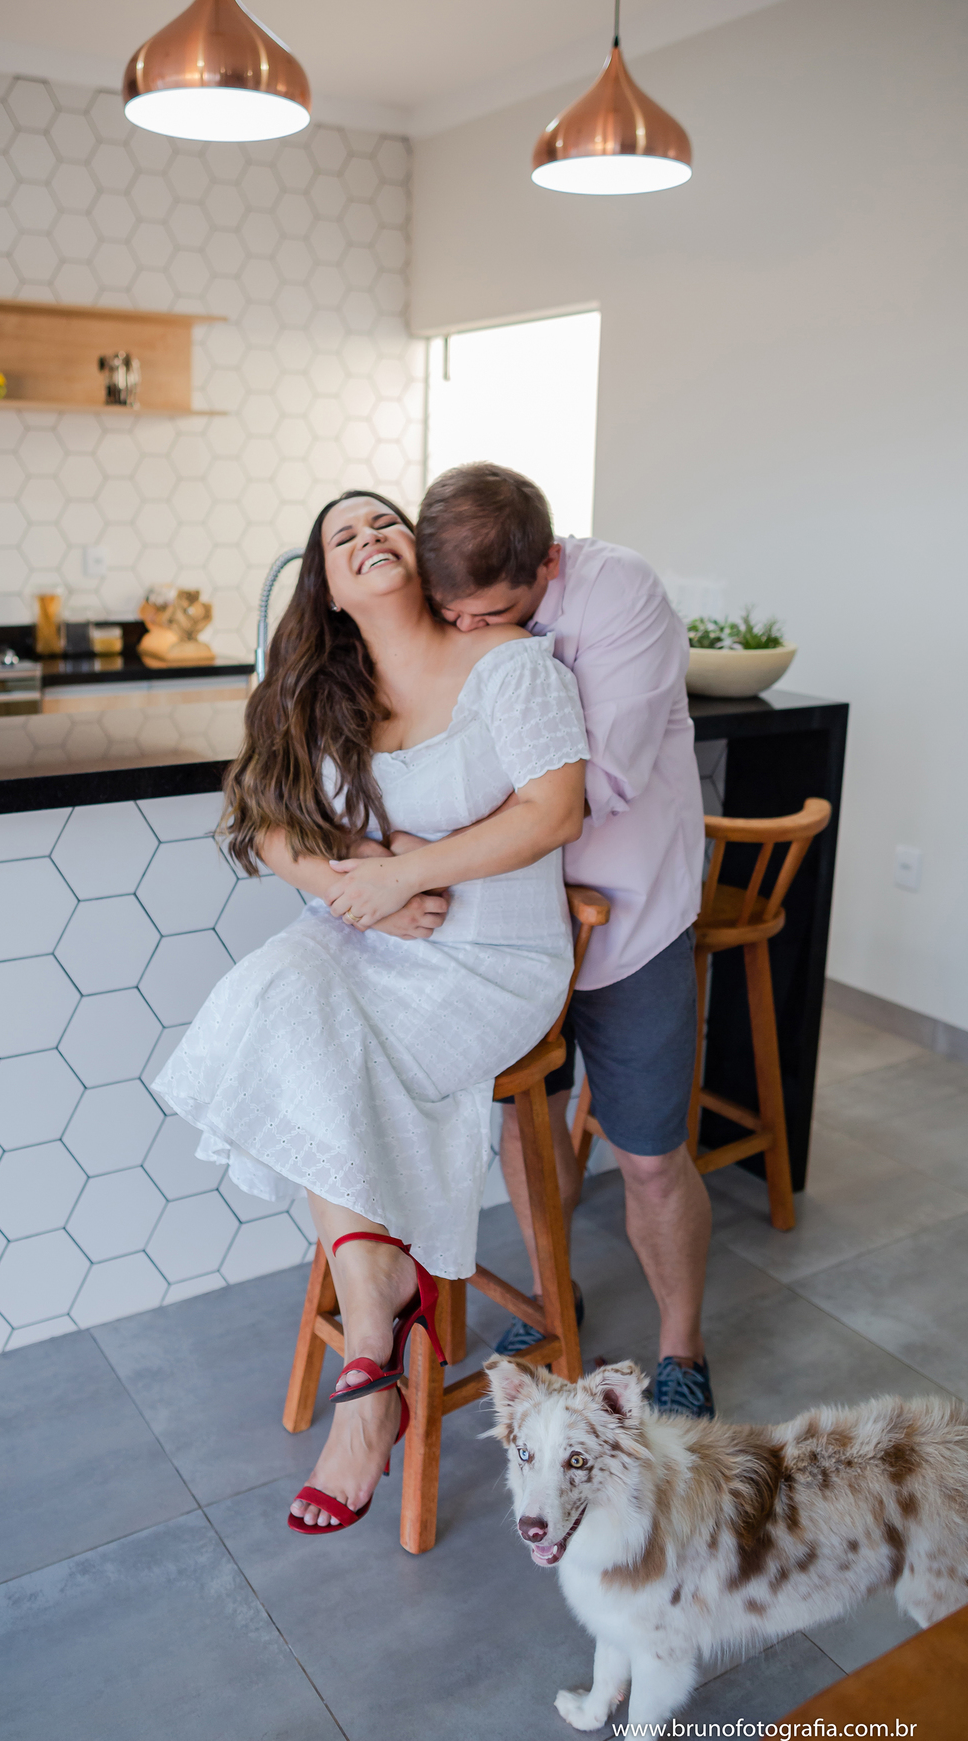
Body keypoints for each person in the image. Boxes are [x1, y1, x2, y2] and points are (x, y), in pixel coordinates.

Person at [152, 490, 590, 1535]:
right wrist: (357, 888)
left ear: (421, 555)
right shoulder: (322, 689)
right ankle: (378, 1297)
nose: (367, 539)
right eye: (342, 538)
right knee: (272, 997)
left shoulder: (510, 668)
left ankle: (368, 1365)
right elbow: (265, 823)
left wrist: (408, 873)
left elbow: (554, 811)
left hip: (491, 963)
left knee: (324, 1049)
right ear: (330, 590)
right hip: (364, 942)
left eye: (384, 523)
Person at [416, 463, 714, 1420]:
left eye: (492, 613)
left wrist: (434, 840)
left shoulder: (621, 593)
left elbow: (592, 789)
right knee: (528, 1126)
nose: (468, 631)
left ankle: (682, 1347)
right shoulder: (457, 604)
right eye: (451, 615)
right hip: (511, 924)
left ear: (546, 562)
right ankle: (554, 1297)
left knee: (649, 1153)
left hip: (630, 917)